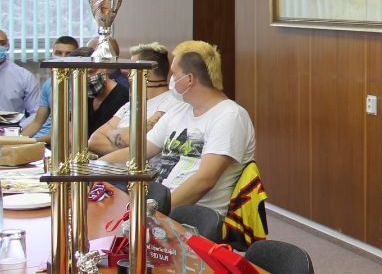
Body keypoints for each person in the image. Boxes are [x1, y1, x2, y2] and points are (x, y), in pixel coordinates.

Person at [102, 41, 254, 215]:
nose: (170, 81)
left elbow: (205, 180)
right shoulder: (179, 111)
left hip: (190, 218)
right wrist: (93, 169)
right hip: (159, 205)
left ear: (189, 79)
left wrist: (153, 212)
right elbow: (138, 151)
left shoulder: (230, 116)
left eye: (174, 74)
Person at [88, 42, 183, 155]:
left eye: (131, 71)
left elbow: (127, 138)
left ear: (146, 73)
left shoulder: (172, 102)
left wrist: (111, 133)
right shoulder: (130, 105)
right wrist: (132, 148)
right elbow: (93, 141)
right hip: (116, 164)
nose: (128, 76)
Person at [20, 35, 78, 139]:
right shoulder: (49, 84)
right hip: (40, 138)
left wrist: (35, 142)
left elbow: (69, 132)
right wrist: (17, 140)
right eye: (58, 53)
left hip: (57, 141)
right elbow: (37, 123)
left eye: (68, 54)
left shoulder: (81, 86)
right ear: (52, 55)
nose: (63, 58)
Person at [0, 27, 40, 129]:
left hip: (12, 132)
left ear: (8, 46)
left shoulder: (24, 76)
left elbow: (37, 113)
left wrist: (17, 128)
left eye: (2, 43)